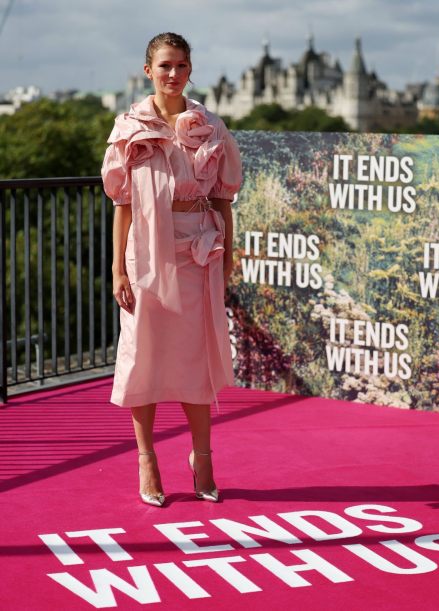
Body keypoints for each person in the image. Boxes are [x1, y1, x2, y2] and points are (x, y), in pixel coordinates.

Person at [101, 32, 242, 507]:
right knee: (144, 357)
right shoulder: (129, 128)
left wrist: (229, 260)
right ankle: (147, 460)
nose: (173, 74)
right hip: (144, 257)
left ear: (189, 70)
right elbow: (122, 204)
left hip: (198, 252)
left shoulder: (212, 126)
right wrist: (118, 270)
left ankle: (202, 458)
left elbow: (224, 199)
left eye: (181, 65)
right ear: (148, 71)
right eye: (164, 66)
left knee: (195, 360)